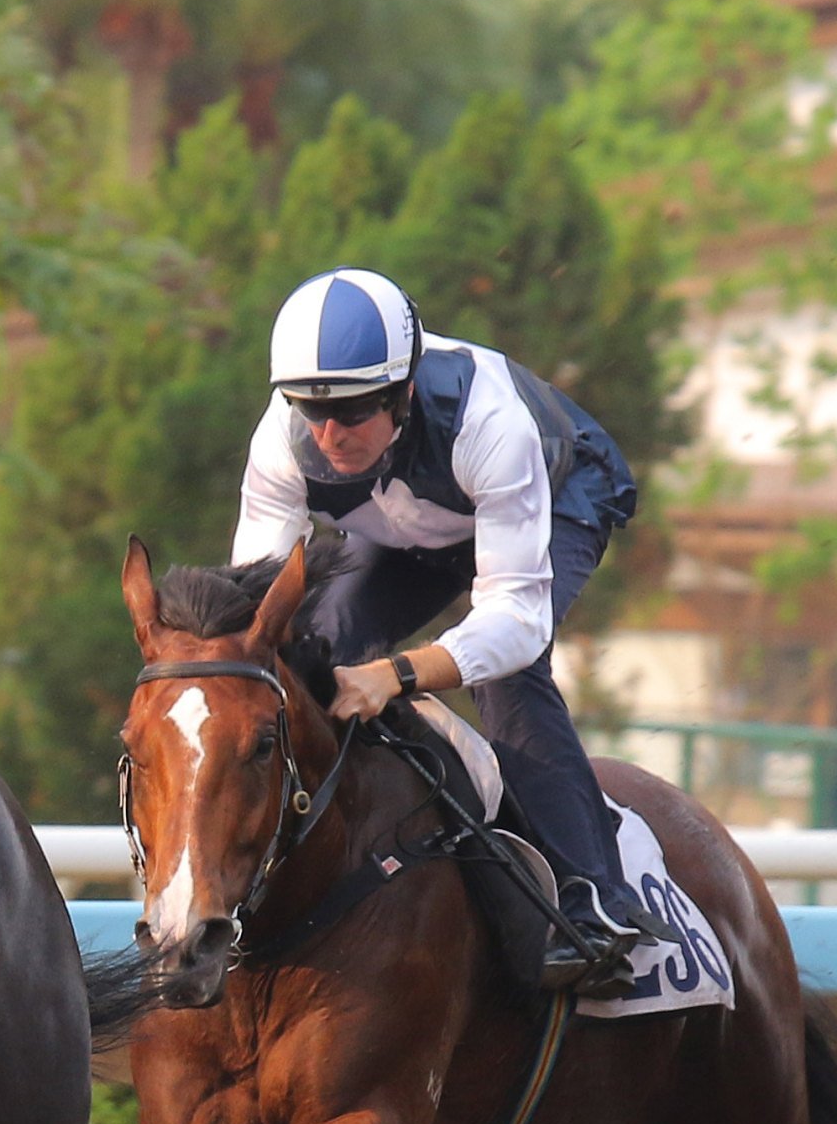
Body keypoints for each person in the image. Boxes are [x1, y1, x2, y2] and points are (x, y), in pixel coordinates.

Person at [230, 267, 653, 996]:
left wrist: (394, 674)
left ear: (403, 390)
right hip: (411, 526)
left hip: (553, 497)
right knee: (314, 650)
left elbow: (513, 623)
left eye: (356, 410)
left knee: (503, 674)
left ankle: (594, 904)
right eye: (309, 408)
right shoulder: (281, 440)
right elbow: (258, 611)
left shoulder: (487, 422)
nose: (329, 434)